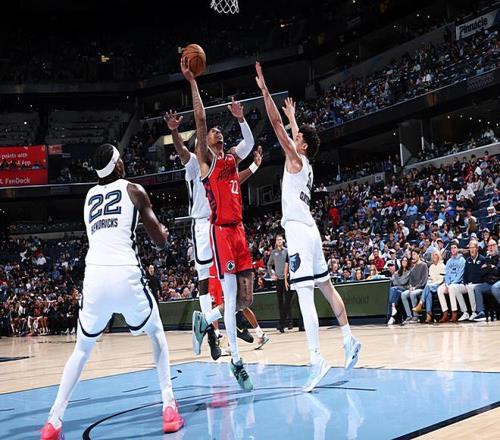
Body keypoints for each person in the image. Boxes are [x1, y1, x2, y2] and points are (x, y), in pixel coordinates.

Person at [40, 144, 183, 440]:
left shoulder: (89, 196)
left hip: (94, 277)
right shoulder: (134, 190)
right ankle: (169, 406)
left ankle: (53, 421)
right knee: (156, 332)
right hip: (125, 273)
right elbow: (159, 241)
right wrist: (164, 235)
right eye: (122, 160)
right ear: (118, 166)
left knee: (81, 349)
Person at [256, 62, 361, 392]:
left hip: (300, 232)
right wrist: (294, 119)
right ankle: (349, 339)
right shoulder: (307, 163)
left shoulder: (295, 157)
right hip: (311, 230)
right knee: (327, 288)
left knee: (304, 294)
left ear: (300, 145)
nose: (293, 137)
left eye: (297, 136)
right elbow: (295, 136)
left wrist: (265, 91)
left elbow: (275, 126)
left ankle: (316, 359)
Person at [181, 58, 256, 391]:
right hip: (220, 231)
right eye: (213, 131)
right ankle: (237, 362)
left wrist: (241, 119)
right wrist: (193, 82)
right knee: (229, 293)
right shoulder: (207, 161)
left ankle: (206, 319)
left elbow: (249, 144)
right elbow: (200, 119)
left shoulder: (231, 159)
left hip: (239, 230)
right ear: (205, 142)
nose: (217, 131)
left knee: (245, 299)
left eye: (219, 130)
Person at [454, 239, 484, 321]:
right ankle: (465, 312)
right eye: (470, 248)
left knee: (470, 287)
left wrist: (471, 283)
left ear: (477, 248)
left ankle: (474, 312)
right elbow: (465, 273)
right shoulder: (468, 260)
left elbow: (483, 274)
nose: (471, 250)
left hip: (478, 283)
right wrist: (465, 282)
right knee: (456, 289)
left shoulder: (482, 259)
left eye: (473, 247)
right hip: (469, 284)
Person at [412, 250, 445, 323]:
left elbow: (441, 280)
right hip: (431, 286)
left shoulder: (442, 266)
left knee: (428, 287)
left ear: (439, 256)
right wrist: (430, 284)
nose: (434, 256)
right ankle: (428, 315)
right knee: (428, 293)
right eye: (432, 255)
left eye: (435, 255)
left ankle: (420, 304)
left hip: (439, 285)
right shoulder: (431, 267)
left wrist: (432, 284)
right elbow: (429, 279)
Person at [437, 241, 466, 323]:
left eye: (455, 248)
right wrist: (446, 284)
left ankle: (454, 313)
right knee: (439, 289)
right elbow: (447, 274)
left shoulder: (462, 260)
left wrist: (450, 285)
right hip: (449, 284)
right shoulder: (449, 261)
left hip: (458, 283)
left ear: (458, 249)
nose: (453, 249)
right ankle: (445, 313)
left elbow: (460, 275)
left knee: (452, 288)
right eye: (451, 248)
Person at [267, 234, 291, 332]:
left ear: (283, 240)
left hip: (287, 279)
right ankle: (283, 323)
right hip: (278, 280)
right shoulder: (273, 252)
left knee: (287, 301)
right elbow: (269, 265)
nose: (279, 241)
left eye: (280, 239)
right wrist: (272, 274)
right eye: (277, 240)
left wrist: (289, 273)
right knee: (280, 302)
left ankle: (289, 322)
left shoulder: (287, 251)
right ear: (276, 242)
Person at [473, 239, 500, 321]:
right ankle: (481, 313)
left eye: (493, 245)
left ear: (496, 246)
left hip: (498, 280)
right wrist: (491, 267)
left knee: (495, 288)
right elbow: (481, 272)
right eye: (489, 246)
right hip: (490, 281)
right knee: (477, 288)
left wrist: (488, 268)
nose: (491, 247)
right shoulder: (487, 258)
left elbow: (497, 271)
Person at [401, 249, 429, 324]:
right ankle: (409, 315)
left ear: (418, 255)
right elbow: (411, 281)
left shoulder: (424, 265)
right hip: (414, 288)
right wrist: (410, 287)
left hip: (421, 289)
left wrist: (415, 288)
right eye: (412, 255)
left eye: (414, 254)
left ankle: (416, 316)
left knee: (412, 293)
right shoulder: (412, 267)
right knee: (403, 294)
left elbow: (424, 281)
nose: (413, 256)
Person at [387, 256, 412, 325]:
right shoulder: (398, 272)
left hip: (405, 289)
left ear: (408, 262)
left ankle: (392, 314)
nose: (404, 262)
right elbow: (395, 283)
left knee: (394, 289)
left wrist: (398, 281)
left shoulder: (409, 272)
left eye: (406, 260)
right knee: (392, 289)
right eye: (403, 260)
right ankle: (393, 311)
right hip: (398, 289)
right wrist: (399, 282)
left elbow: (404, 282)